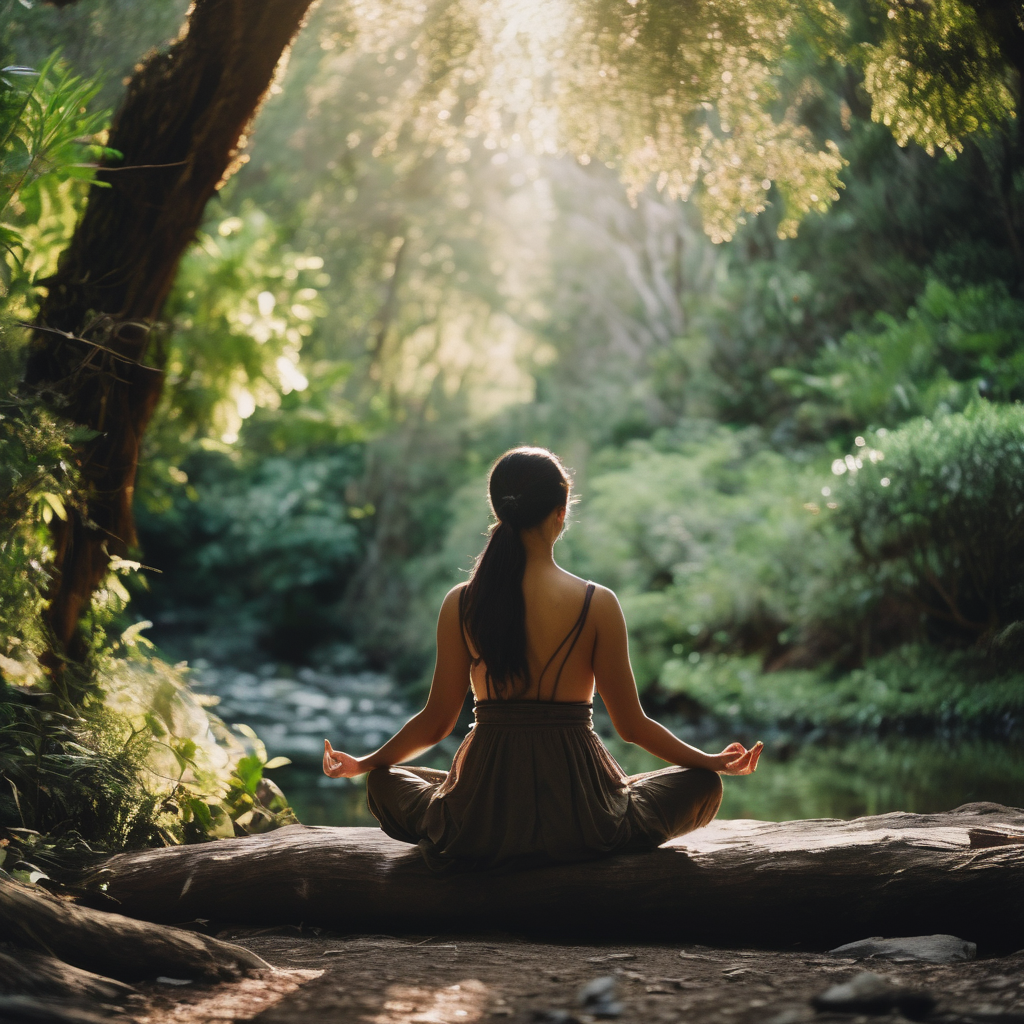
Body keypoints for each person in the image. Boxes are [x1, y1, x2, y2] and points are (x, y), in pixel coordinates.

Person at [323, 446, 762, 871]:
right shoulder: (597, 603)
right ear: (560, 511)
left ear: (499, 510)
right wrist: (709, 761)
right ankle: (594, 823)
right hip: (582, 820)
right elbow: (632, 727)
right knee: (701, 784)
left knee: (384, 781)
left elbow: (436, 722)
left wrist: (365, 764)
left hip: (482, 821)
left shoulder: (462, 602)